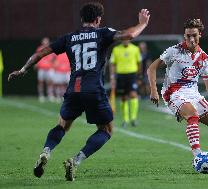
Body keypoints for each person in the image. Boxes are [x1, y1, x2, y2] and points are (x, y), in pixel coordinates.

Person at [8, 2, 150, 181]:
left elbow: (41, 53)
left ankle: (46, 151)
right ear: (98, 19)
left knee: (62, 125)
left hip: (74, 88)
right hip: (94, 89)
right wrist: (143, 23)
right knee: (106, 130)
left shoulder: (69, 37)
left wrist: (23, 69)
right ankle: (76, 160)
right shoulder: (102, 32)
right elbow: (129, 34)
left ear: (82, 19)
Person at [147, 19, 208, 173]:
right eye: (187, 36)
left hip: (194, 95)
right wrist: (153, 90)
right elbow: (152, 68)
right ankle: (198, 156)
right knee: (192, 114)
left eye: (194, 35)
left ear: (200, 35)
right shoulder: (174, 51)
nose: (191, 39)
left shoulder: (204, 58)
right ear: (184, 36)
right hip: (173, 93)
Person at [110, 40, 141, 127]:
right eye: (124, 38)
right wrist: (112, 77)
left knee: (133, 95)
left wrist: (139, 76)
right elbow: (112, 64)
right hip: (121, 75)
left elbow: (139, 63)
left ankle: (133, 118)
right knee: (124, 97)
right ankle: (125, 119)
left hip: (132, 75)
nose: (126, 40)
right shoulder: (116, 49)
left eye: (127, 38)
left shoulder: (135, 49)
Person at [35, 38, 56, 103]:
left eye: (46, 42)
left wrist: (53, 64)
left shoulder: (51, 48)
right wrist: (36, 64)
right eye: (44, 42)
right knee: (40, 82)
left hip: (49, 68)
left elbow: (54, 58)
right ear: (42, 42)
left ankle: (50, 95)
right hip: (41, 68)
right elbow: (36, 57)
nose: (45, 43)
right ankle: (41, 95)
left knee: (50, 82)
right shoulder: (39, 49)